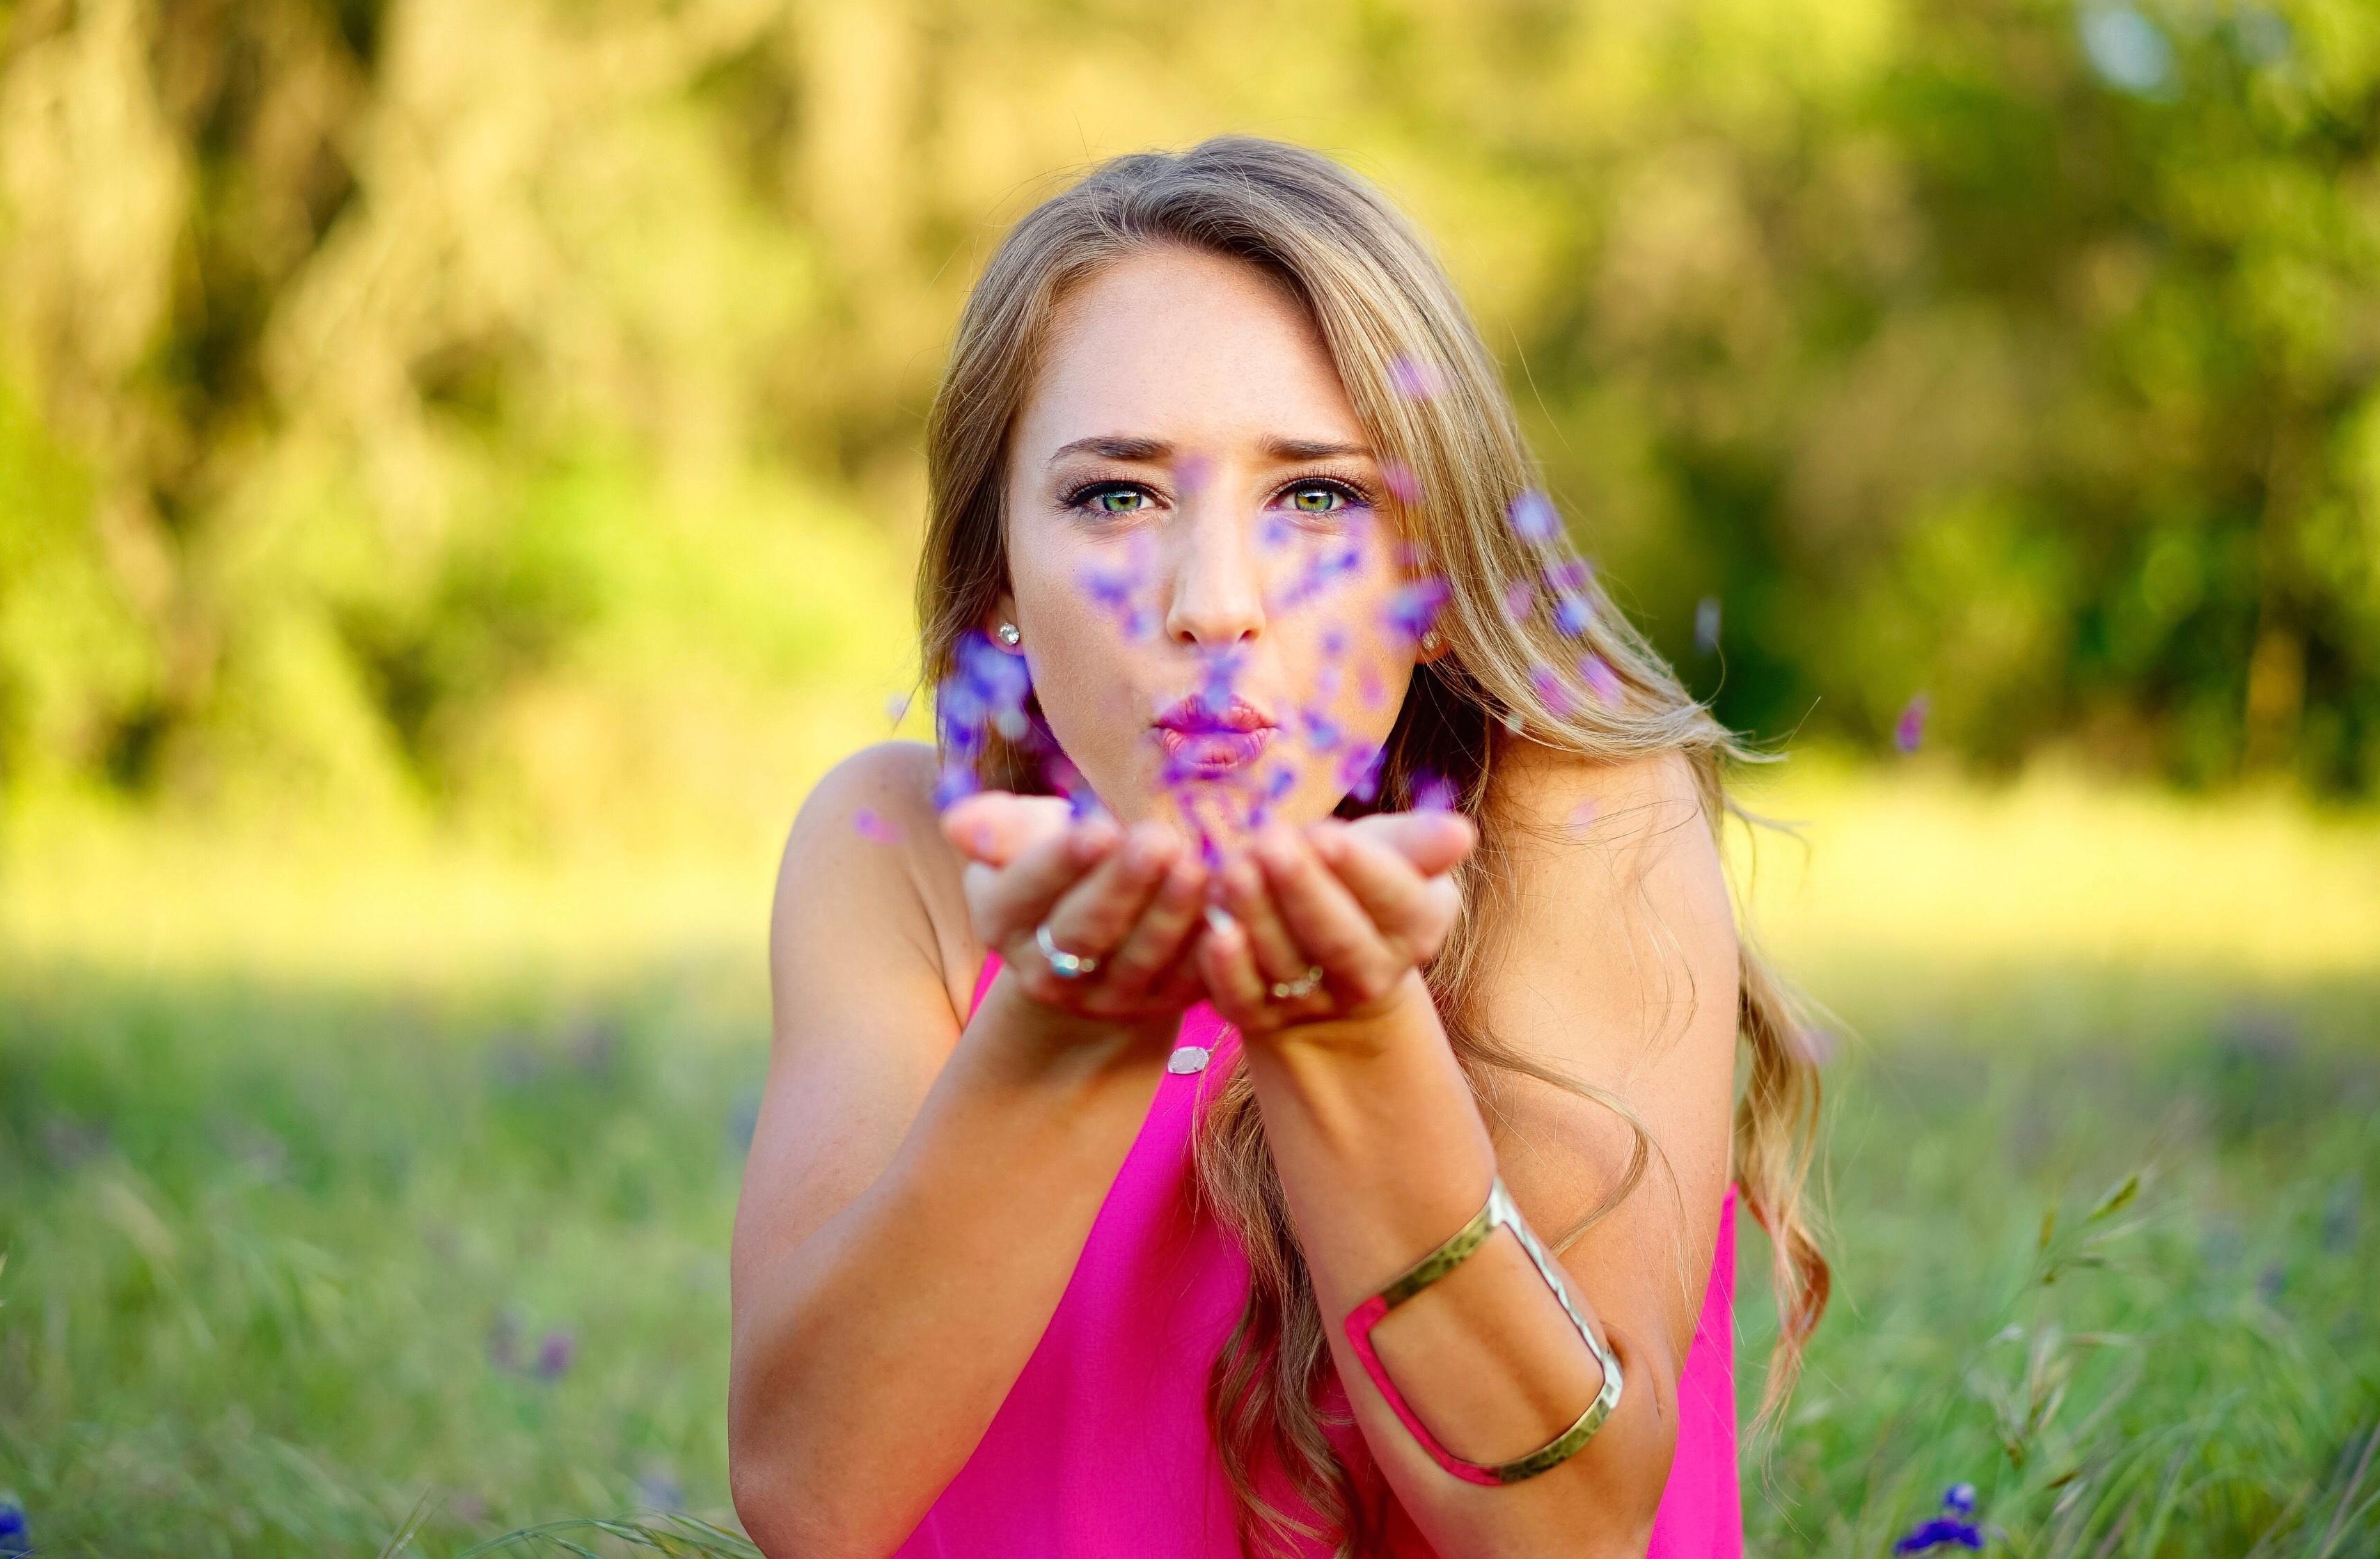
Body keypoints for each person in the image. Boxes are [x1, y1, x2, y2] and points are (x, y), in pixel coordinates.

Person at [727, 138, 1827, 1559]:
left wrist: (1349, 1039)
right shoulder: (899, 856)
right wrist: (1067, 1030)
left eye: (1314, 497)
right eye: (1115, 496)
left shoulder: (1575, 817)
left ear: (1432, 578)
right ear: (996, 567)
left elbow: (1567, 1527)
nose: (1213, 603)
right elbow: (811, 1499)